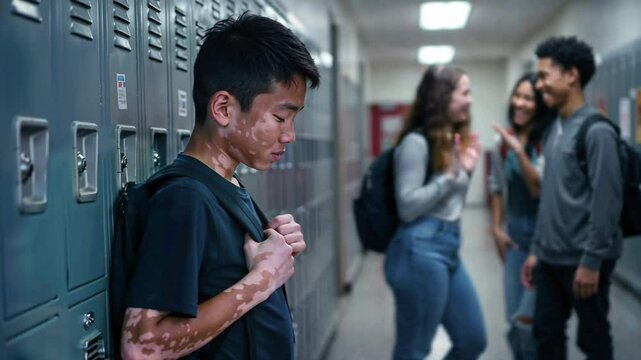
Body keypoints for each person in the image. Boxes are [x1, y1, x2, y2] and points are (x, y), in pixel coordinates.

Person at [120, 13, 319, 360]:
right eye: (280, 117)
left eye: (293, 119)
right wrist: (262, 280)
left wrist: (273, 241)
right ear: (224, 108)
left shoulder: (226, 183)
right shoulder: (185, 198)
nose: (289, 135)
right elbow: (141, 346)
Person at [521, 36, 622, 360]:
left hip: (584, 262)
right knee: (546, 337)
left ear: (571, 76)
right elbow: (549, 197)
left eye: (544, 76)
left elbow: (607, 203)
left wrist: (592, 262)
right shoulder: (555, 130)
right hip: (551, 260)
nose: (539, 85)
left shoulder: (597, 132)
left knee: (593, 341)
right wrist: (537, 249)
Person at [384, 65, 486, 360]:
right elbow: (408, 206)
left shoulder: (453, 139)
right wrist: (450, 177)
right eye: (465, 92)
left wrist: (466, 168)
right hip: (419, 250)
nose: (471, 100)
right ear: (443, 97)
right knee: (414, 350)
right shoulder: (416, 142)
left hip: (448, 245)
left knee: (472, 340)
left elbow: (451, 202)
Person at [488, 72, 555, 360]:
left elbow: (538, 188)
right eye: (517, 96)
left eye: (528, 98)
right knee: (514, 319)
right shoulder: (500, 144)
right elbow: (496, 188)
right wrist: (496, 228)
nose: (520, 103)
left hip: (543, 239)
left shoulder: (548, 142)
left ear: (540, 105)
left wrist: (520, 151)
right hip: (515, 236)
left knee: (530, 320)